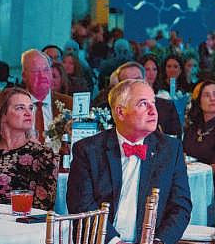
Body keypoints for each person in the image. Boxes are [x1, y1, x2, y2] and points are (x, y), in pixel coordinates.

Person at [67, 79, 192, 244]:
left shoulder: (170, 149)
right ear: (120, 112)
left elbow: (180, 206)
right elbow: (82, 206)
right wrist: (114, 242)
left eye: (153, 103)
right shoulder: (88, 150)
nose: (153, 111)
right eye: (143, 104)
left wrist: (159, 241)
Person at [0, 87, 59, 211]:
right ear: (3, 114)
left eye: (30, 108)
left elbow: (43, 208)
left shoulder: (43, 155)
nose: (28, 113)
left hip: (25, 221)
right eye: (20, 108)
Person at [183, 80, 215, 193]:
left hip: (211, 186)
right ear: (198, 101)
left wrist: (193, 172)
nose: (213, 99)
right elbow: (183, 156)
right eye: (207, 95)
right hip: (187, 179)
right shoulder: (192, 128)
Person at [21, 49, 73, 144]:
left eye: (46, 70)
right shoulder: (13, 105)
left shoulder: (69, 104)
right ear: (24, 76)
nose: (42, 75)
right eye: (36, 71)